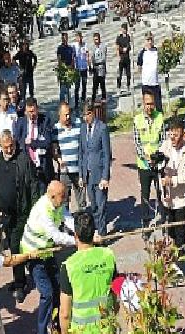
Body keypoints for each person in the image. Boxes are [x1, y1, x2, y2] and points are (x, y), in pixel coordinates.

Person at [59, 211, 117, 334]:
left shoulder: (69, 266)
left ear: (75, 235)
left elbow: (64, 312)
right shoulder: (108, 255)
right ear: (94, 233)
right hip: (105, 330)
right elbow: (115, 292)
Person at [0, 131, 39, 302]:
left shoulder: (23, 159)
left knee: (15, 246)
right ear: (1, 145)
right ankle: (21, 276)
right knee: (14, 246)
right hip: (5, 215)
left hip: (21, 212)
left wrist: (35, 209)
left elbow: (33, 184)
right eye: (6, 147)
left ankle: (20, 283)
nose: (9, 150)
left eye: (11, 146)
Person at [20, 181, 76, 334]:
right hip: (34, 255)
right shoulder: (42, 210)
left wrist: (80, 233)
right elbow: (56, 236)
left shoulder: (57, 204)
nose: (65, 198)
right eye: (62, 196)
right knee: (47, 293)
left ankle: (57, 323)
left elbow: (67, 219)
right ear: (52, 196)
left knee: (59, 287)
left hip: (47, 252)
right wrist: (77, 241)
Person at [79, 100, 111, 237]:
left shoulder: (102, 128)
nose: (86, 118)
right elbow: (81, 152)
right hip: (88, 174)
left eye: (88, 114)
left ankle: (102, 235)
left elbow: (107, 153)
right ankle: (97, 230)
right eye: (84, 115)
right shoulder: (82, 129)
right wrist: (81, 175)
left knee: (101, 205)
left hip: (99, 175)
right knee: (93, 207)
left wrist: (105, 176)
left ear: (93, 113)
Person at [133, 89, 165, 226]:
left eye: (151, 104)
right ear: (143, 103)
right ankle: (145, 222)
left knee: (161, 193)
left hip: (158, 164)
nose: (149, 107)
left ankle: (164, 219)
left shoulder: (160, 118)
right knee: (145, 195)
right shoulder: (137, 120)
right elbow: (137, 143)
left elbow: (163, 140)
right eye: (147, 104)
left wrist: (156, 158)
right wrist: (146, 158)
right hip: (144, 165)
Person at [159, 121, 185, 248]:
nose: (172, 138)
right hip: (167, 196)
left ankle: (181, 251)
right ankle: (171, 252)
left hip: (180, 197)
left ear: (182, 134)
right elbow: (159, 162)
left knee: (179, 228)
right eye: (171, 134)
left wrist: (171, 180)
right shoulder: (165, 146)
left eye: (176, 135)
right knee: (169, 227)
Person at [14, 97, 54, 194]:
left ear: (37, 109)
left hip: (42, 164)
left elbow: (47, 142)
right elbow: (18, 141)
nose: (31, 114)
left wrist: (32, 142)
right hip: (28, 164)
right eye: (29, 112)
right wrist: (26, 143)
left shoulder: (45, 121)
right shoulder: (21, 122)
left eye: (33, 111)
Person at [53, 103, 86, 213]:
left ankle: (83, 223)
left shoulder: (78, 123)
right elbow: (54, 149)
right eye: (65, 115)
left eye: (69, 114)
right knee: (64, 200)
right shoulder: (56, 129)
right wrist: (58, 159)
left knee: (81, 199)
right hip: (65, 171)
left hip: (78, 169)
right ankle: (65, 224)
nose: (68, 117)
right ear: (59, 115)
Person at [137, 32, 162, 111]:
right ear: (145, 41)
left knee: (158, 106)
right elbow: (139, 67)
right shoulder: (142, 53)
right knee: (148, 106)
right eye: (148, 40)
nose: (150, 42)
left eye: (151, 40)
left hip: (155, 84)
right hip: (146, 84)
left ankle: (160, 121)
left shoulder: (157, 51)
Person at [72, 32, 90, 110]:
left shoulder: (85, 45)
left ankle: (83, 100)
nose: (79, 39)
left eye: (80, 37)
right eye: (77, 38)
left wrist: (89, 64)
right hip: (77, 69)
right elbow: (73, 57)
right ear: (76, 38)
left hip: (84, 68)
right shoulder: (74, 46)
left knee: (84, 85)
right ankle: (76, 102)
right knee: (77, 87)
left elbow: (87, 55)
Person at [57, 32, 76, 103]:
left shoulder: (70, 48)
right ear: (62, 38)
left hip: (69, 70)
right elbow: (59, 59)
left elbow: (72, 58)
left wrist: (72, 66)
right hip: (63, 70)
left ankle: (68, 103)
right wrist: (63, 67)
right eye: (63, 38)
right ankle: (62, 104)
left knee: (68, 88)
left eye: (66, 37)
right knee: (62, 89)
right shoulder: (60, 48)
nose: (65, 39)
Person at [90, 32, 107, 103]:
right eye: (94, 40)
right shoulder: (93, 47)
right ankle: (93, 98)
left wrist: (96, 61)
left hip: (101, 67)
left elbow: (103, 58)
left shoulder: (103, 46)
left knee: (102, 84)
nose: (95, 41)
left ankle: (103, 97)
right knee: (95, 85)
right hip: (95, 68)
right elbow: (92, 57)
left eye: (97, 39)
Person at [115, 23, 131, 95]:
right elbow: (117, 47)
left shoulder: (128, 37)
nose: (124, 30)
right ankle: (118, 87)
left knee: (128, 74)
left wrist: (127, 48)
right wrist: (118, 56)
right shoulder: (119, 37)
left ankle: (128, 86)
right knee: (119, 74)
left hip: (127, 57)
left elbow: (129, 46)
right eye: (123, 29)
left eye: (125, 29)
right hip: (121, 58)